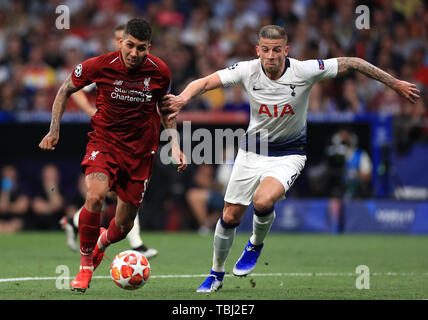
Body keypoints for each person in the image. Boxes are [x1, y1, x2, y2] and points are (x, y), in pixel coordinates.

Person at [161, 24, 420, 292]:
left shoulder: (304, 71)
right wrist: (181, 99)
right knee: (229, 216)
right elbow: (204, 82)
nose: (271, 56)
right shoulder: (247, 70)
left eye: (276, 50)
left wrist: (394, 83)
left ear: (286, 50)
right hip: (252, 151)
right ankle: (216, 273)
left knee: (262, 200)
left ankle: (254, 245)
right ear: (257, 50)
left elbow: (351, 62)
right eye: (265, 50)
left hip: (289, 153)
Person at [39, 18, 186, 293]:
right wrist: (53, 130)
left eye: (141, 48)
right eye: (130, 45)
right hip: (104, 144)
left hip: (141, 153)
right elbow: (65, 89)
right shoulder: (99, 65)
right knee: (94, 196)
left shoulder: (160, 72)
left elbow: (166, 110)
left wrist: (175, 145)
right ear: (121, 42)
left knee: (122, 226)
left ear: (148, 48)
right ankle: (84, 268)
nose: (134, 53)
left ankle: (101, 244)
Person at [60, 24, 159, 259]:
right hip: (103, 136)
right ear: (119, 43)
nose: (131, 50)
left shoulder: (147, 72)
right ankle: (136, 244)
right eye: (121, 41)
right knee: (105, 194)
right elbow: (75, 89)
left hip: (132, 142)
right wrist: (91, 112)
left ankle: (73, 222)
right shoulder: (106, 67)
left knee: (115, 196)